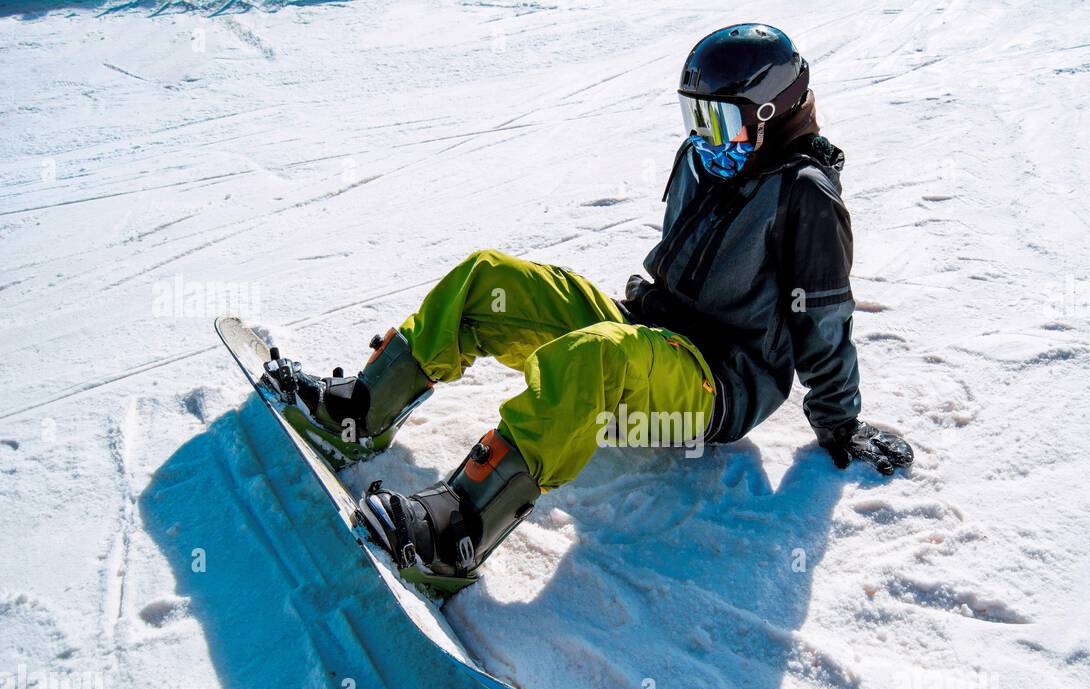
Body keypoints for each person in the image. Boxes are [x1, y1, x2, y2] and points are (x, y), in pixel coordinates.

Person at [268, 23, 913, 594]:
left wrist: (841, 426)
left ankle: (458, 529)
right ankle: (361, 408)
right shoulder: (708, 159)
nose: (699, 136)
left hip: (716, 382)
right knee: (488, 280)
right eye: (692, 118)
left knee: (595, 360)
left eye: (716, 119)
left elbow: (823, 324)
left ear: (770, 113)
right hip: (648, 335)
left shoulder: (806, 198)